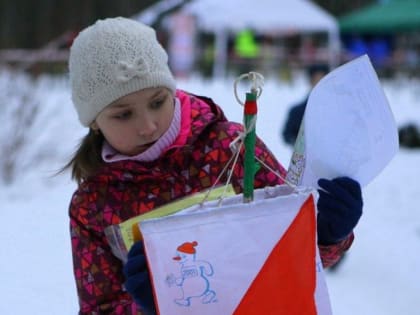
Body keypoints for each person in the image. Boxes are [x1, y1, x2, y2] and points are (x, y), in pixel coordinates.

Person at [66, 17, 363, 314]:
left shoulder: (231, 149)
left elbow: (299, 261)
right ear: (94, 122)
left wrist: (326, 233)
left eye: (157, 102)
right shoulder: (93, 206)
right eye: (123, 115)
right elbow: (98, 308)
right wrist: (148, 307)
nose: (147, 126)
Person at [282, 63, 330, 146]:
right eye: (316, 80)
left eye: (323, 81)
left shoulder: (337, 111)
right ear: (310, 81)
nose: (319, 84)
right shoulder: (296, 111)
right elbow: (287, 135)